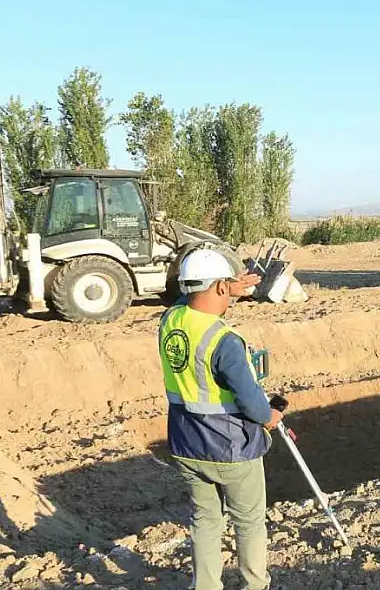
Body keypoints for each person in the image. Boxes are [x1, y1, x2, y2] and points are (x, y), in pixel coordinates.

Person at [158, 248, 281, 590]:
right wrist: (271, 415)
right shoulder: (224, 340)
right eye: (226, 285)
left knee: (205, 522)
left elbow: (190, 303)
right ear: (221, 288)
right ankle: (255, 585)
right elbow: (254, 407)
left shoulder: (170, 321)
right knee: (249, 522)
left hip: (185, 442)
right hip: (230, 448)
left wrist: (229, 288)